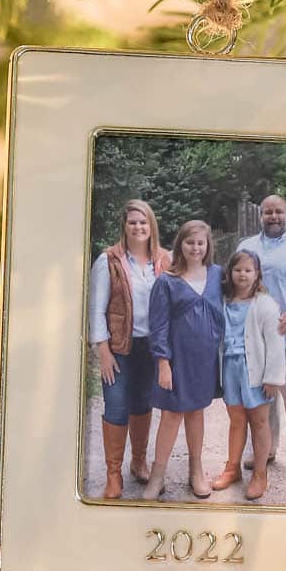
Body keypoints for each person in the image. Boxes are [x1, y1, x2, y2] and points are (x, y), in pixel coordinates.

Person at [86, 199, 166, 500]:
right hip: (119, 348)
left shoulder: (164, 261)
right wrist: (103, 351)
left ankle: (139, 462)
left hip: (150, 347)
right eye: (132, 221)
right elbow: (96, 310)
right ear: (124, 226)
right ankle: (113, 475)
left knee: (143, 404)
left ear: (151, 225)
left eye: (143, 221)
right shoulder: (108, 261)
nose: (138, 226)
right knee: (117, 406)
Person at [143, 219, 224, 502]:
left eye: (201, 243)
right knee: (171, 414)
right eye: (190, 242)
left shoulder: (217, 275)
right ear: (181, 245)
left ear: (208, 245)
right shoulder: (168, 280)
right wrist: (163, 362)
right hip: (177, 361)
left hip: (205, 361)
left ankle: (196, 471)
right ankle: (157, 477)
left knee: (196, 412)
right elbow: (159, 324)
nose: (196, 248)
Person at [237, 193, 286, 483]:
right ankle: (264, 450)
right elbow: (239, 284)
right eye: (268, 212)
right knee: (261, 399)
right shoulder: (247, 246)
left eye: (279, 211)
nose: (273, 216)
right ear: (260, 216)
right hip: (258, 339)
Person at [211, 248, 285, 500]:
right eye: (237, 270)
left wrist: (273, 377)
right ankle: (232, 469)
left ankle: (260, 473)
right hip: (231, 368)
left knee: (259, 421)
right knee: (236, 419)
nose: (242, 275)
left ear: (257, 274)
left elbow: (275, 343)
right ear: (230, 273)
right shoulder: (224, 301)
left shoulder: (264, 304)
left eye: (248, 270)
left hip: (256, 371)